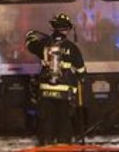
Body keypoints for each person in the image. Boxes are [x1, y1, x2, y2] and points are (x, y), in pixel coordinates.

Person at [25, 13, 86, 146]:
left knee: (46, 120)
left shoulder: (43, 45)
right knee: (64, 120)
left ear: (53, 27)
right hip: (65, 92)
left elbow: (29, 43)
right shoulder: (72, 47)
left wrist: (31, 34)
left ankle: (46, 144)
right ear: (67, 30)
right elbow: (81, 68)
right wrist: (82, 78)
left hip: (45, 91)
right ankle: (64, 145)